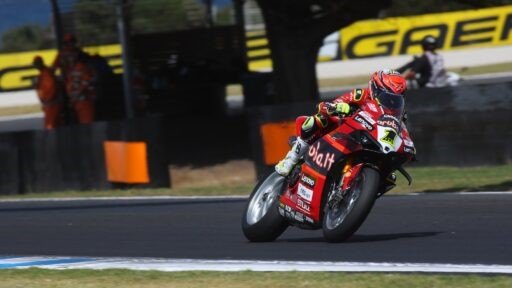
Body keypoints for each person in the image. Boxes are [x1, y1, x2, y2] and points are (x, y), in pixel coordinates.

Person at [275, 69, 407, 176]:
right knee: (318, 120)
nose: (391, 101)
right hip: (344, 132)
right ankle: (291, 159)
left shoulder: (397, 112)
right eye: (387, 96)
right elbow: (328, 106)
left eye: (395, 98)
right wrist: (339, 107)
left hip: (368, 141)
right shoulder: (360, 95)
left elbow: (401, 131)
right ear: (375, 88)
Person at [65, 52, 96, 124]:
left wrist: (72, 98)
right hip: (85, 101)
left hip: (76, 101)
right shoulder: (85, 69)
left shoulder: (72, 70)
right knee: (88, 124)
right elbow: (86, 83)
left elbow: (69, 86)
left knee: (82, 122)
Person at [33, 56, 63, 129]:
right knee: (56, 125)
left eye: (36, 64)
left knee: (50, 126)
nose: (35, 66)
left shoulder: (46, 74)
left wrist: (46, 101)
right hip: (51, 104)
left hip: (51, 105)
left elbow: (50, 88)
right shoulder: (44, 73)